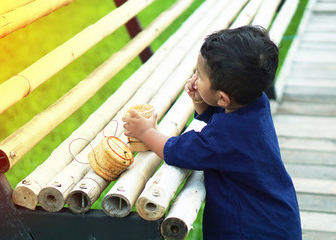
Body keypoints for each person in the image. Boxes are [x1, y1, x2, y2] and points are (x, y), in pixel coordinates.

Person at [122, 25, 302, 239]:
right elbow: (223, 124)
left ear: (223, 97)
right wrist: (201, 101)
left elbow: (181, 152)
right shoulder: (257, 103)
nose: (195, 77)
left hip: (251, 230)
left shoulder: (225, 136)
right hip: (277, 219)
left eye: (200, 74)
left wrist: (146, 133)